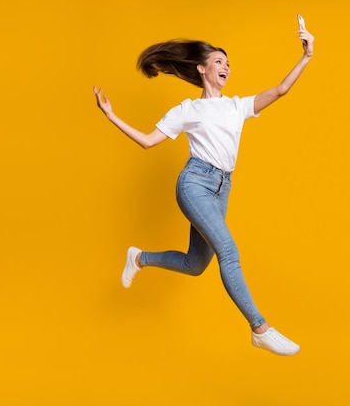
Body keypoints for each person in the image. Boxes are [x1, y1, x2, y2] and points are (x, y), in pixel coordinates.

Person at [93, 18, 314, 355]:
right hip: (194, 183)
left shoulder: (237, 106)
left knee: (196, 265)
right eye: (218, 62)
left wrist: (306, 56)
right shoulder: (188, 110)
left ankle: (139, 258)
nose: (226, 67)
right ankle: (260, 327)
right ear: (201, 69)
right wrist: (111, 116)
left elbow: (281, 90)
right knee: (229, 252)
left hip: (222, 187)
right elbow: (149, 142)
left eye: (228, 63)